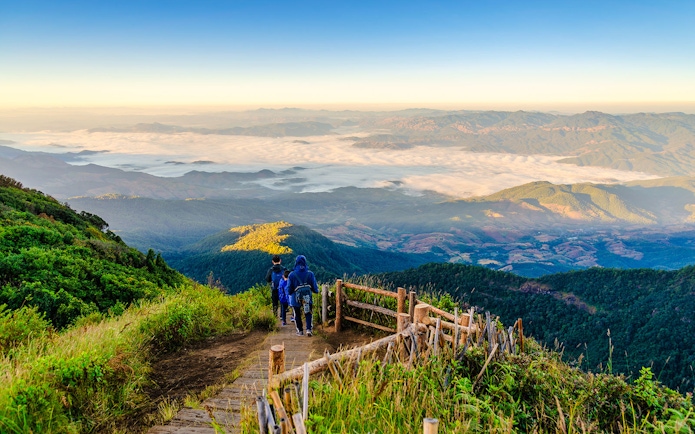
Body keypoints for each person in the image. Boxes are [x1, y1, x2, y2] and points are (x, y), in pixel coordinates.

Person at [287, 255, 319, 337]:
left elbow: (289, 289)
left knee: (297, 314)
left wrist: (290, 293)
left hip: (296, 298)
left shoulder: (292, 275)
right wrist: (315, 291)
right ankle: (308, 329)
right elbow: (315, 287)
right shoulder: (310, 274)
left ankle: (300, 331)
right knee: (308, 312)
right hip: (307, 297)